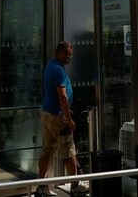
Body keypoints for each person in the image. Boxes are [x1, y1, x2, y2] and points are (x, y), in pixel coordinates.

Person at [36, 41, 85, 197]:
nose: (70, 58)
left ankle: (42, 186)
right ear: (61, 53)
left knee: (47, 150)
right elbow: (62, 97)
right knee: (69, 151)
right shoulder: (58, 70)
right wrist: (69, 119)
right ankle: (75, 186)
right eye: (68, 55)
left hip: (47, 114)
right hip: (57, 117)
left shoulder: (51, 66)